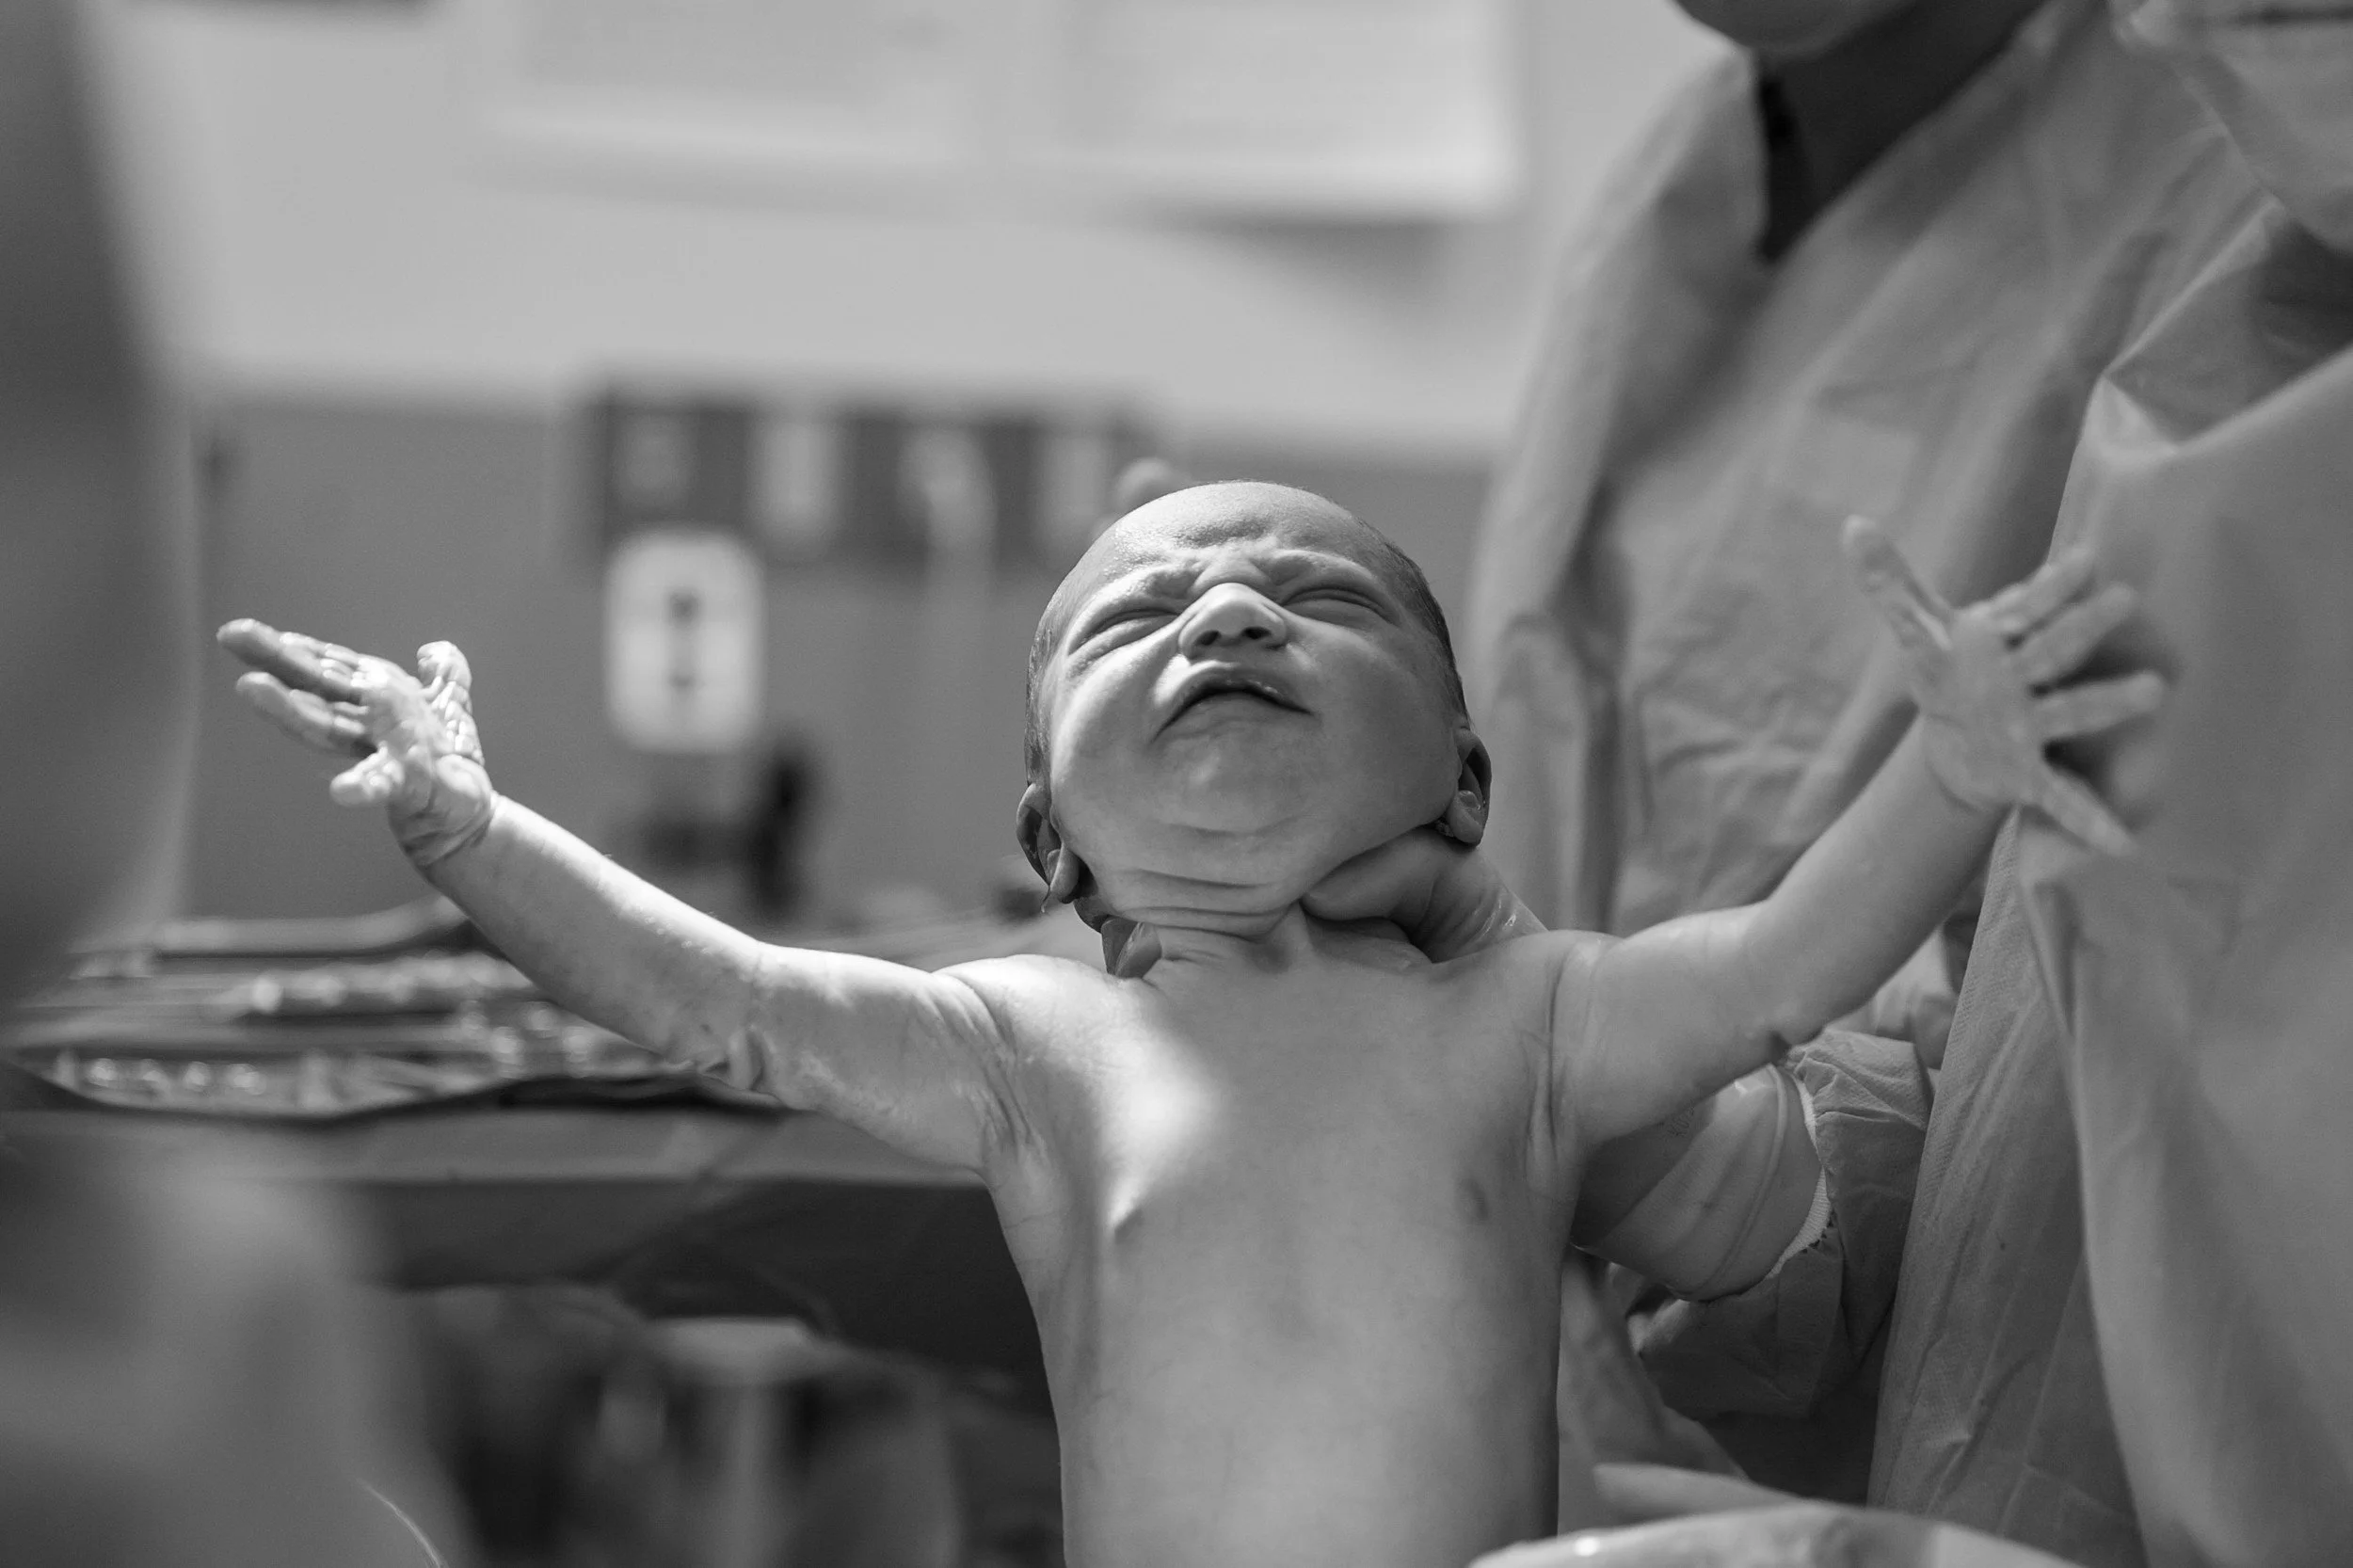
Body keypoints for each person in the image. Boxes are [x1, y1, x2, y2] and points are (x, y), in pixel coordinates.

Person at [219, 478, 2156, 1565]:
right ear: (1052, 836)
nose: (1223, 606)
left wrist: (1958, 763)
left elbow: (1782, 968)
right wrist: (469, 827)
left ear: (1461, 785)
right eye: (1131, 617)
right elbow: (724, 1003)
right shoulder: (1034, 1047)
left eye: (1308, 593)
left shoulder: (1533, 1013)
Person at [1454, 0, 2281, 1542]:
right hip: (1555, 1369)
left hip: (1948, 1417)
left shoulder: (2242, 183)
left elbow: (2171, 1001)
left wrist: (1695, 1168)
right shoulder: (1692, 177)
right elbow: (1576, 765)